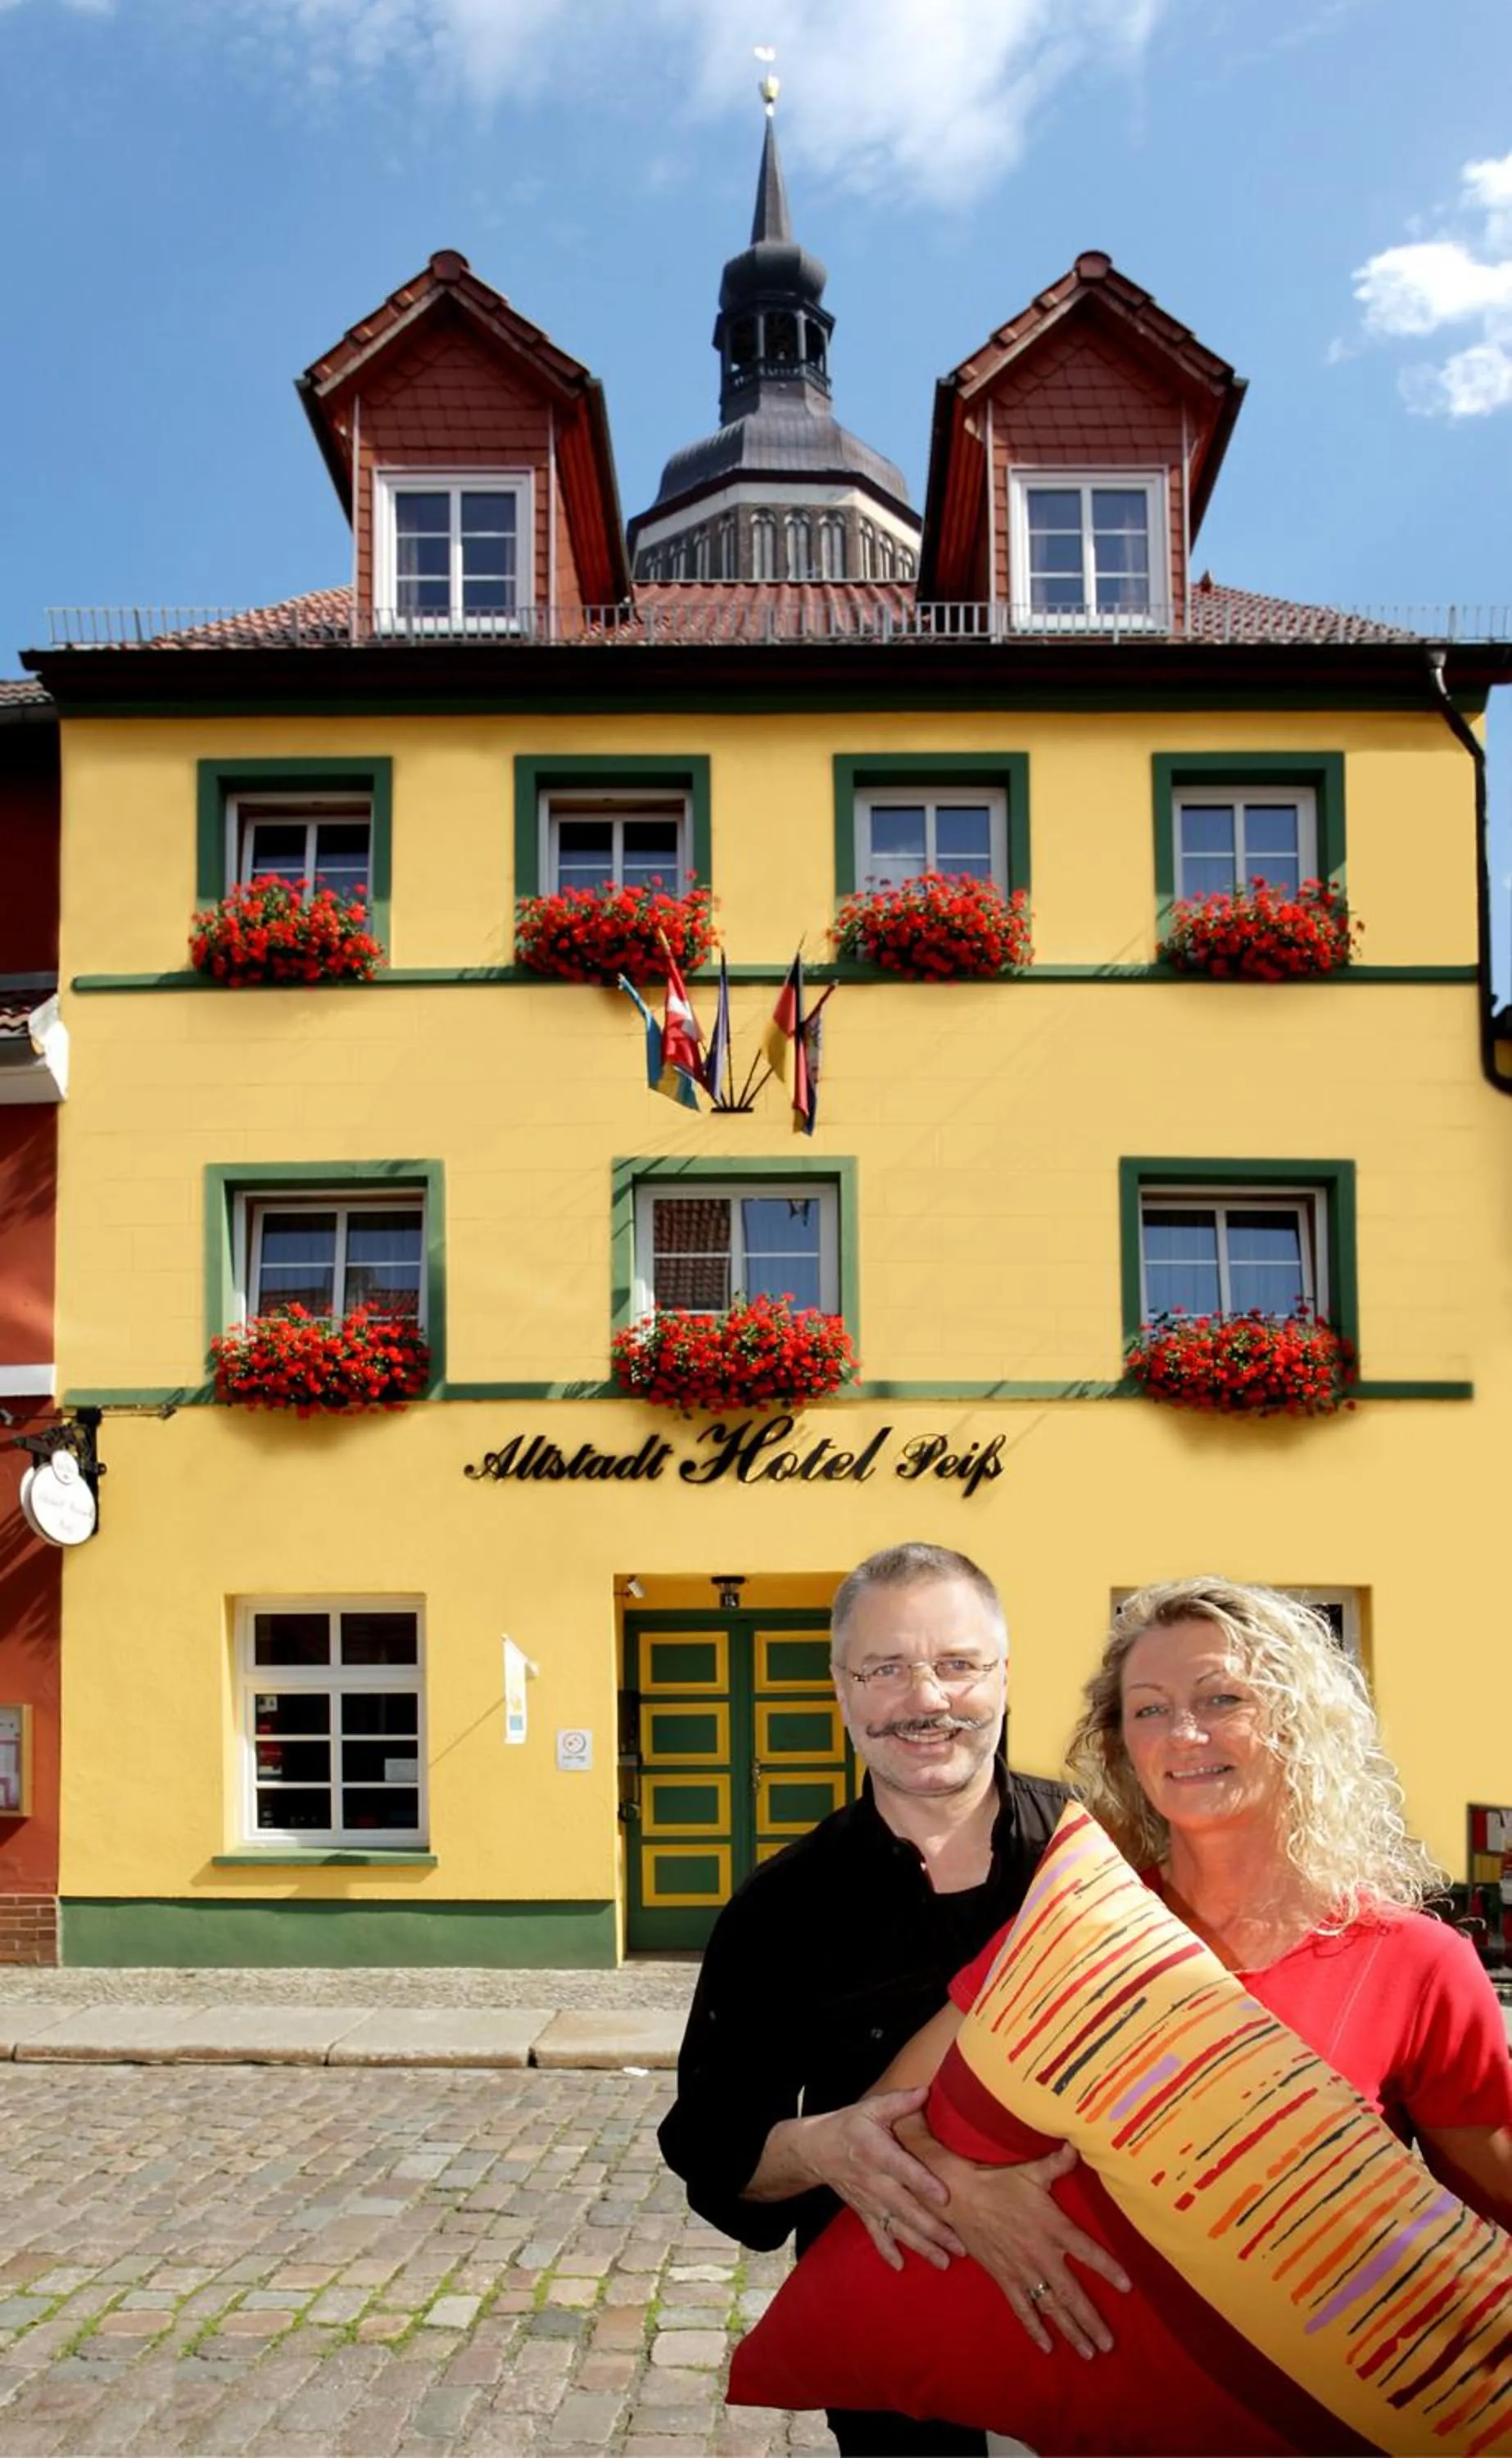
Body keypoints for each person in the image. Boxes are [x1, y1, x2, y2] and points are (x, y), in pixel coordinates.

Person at [785, 1576, 1512, 2451]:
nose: (1185, 1734)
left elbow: (1491, 2223)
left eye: (1222, 1699)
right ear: (1121, 1744)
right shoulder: (1074, 1932)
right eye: (1149, 1710)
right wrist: (974, 2190)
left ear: (1296, 1717)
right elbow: (890, 2118)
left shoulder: (1413, 1963)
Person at [659, 1542, 1130, 2458]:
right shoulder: (778, 1907)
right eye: (886, 1669)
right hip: (903, 2377)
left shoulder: (1108, 1854)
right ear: (840, 1691)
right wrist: (824, 2147)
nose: (927, 1700)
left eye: (957, 1665)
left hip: (1121, 2334)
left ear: (1002, 1677)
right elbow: (715, 2152)